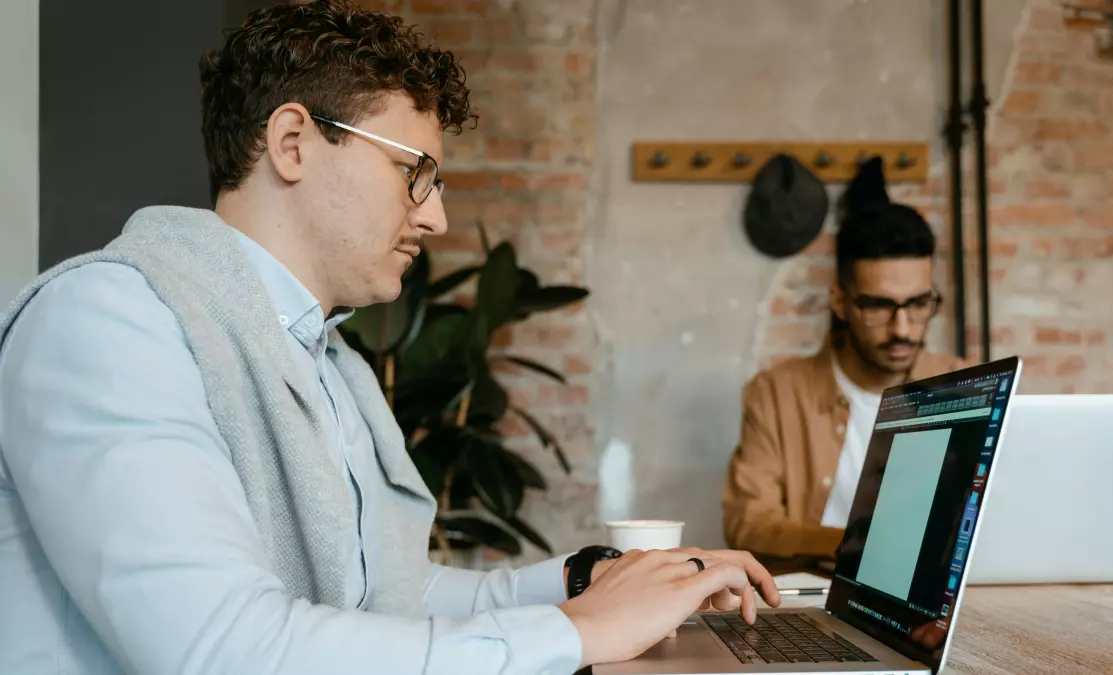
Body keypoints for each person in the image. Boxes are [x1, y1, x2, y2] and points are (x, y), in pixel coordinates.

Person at [0, 2, 778, 673]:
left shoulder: (329, 362)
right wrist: (580, 631)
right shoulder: (108, 322)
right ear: (293, 142)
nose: (434, 216)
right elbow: (219, 649)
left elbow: (395, 592)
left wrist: (585, 580)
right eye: (416, 172)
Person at [722, 197, 969, 560]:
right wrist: (857, 546)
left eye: (918, 304)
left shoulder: (963, 384)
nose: (902, 329)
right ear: (840, 302)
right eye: (878, 306)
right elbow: (748, 522)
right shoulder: (777, 394)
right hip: (813, 594)